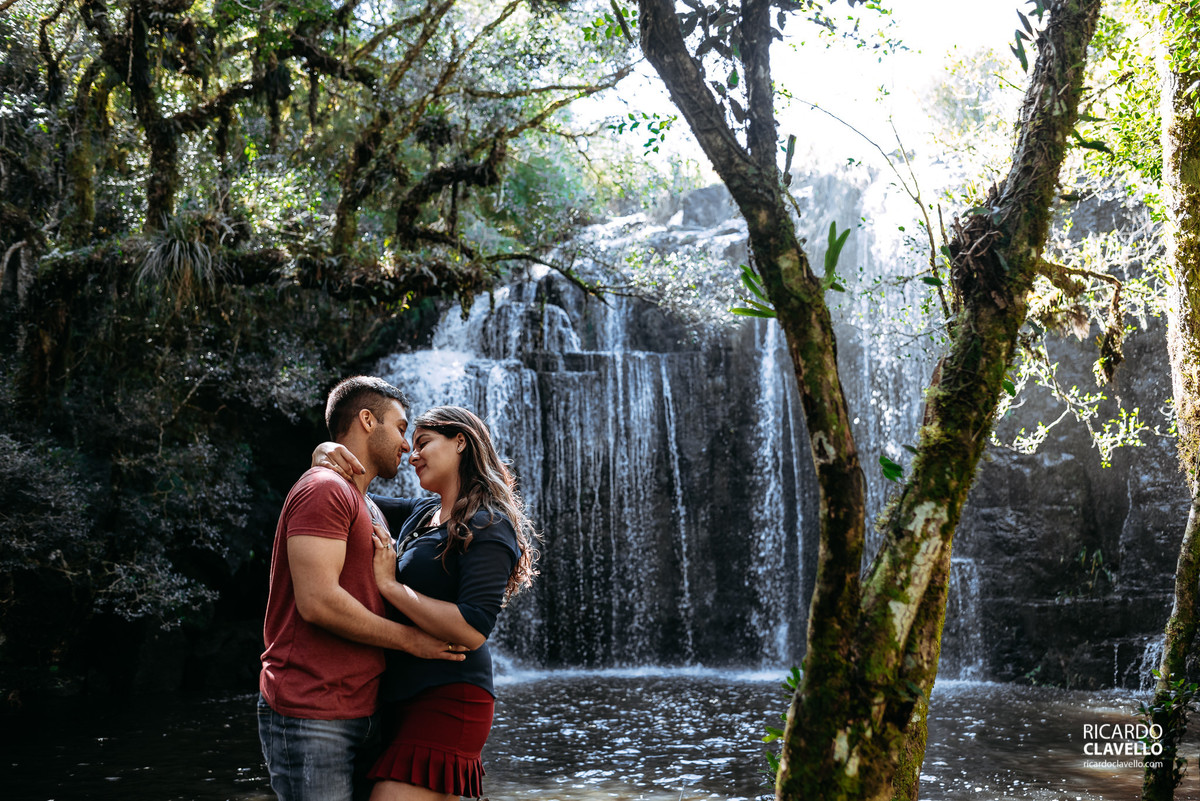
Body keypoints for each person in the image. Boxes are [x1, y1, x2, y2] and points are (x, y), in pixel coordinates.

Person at [312, 405, 538, 801]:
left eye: (423, 443)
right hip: (399, 696)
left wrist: (390, 586)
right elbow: (349, 493)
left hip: (450, 695)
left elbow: (472, 628)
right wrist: (324, 453)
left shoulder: (489, 523)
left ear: (460, 442)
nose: (412, 455)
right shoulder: (420, 514)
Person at [259, 377, 468, 801]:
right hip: (313, 711)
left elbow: (455, 505)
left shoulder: (364, 501)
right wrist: (412, 641)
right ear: (368, 420)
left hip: (363, 710)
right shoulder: (324, 489)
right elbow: (318, 602)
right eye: (401, 428)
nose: (407, 446)